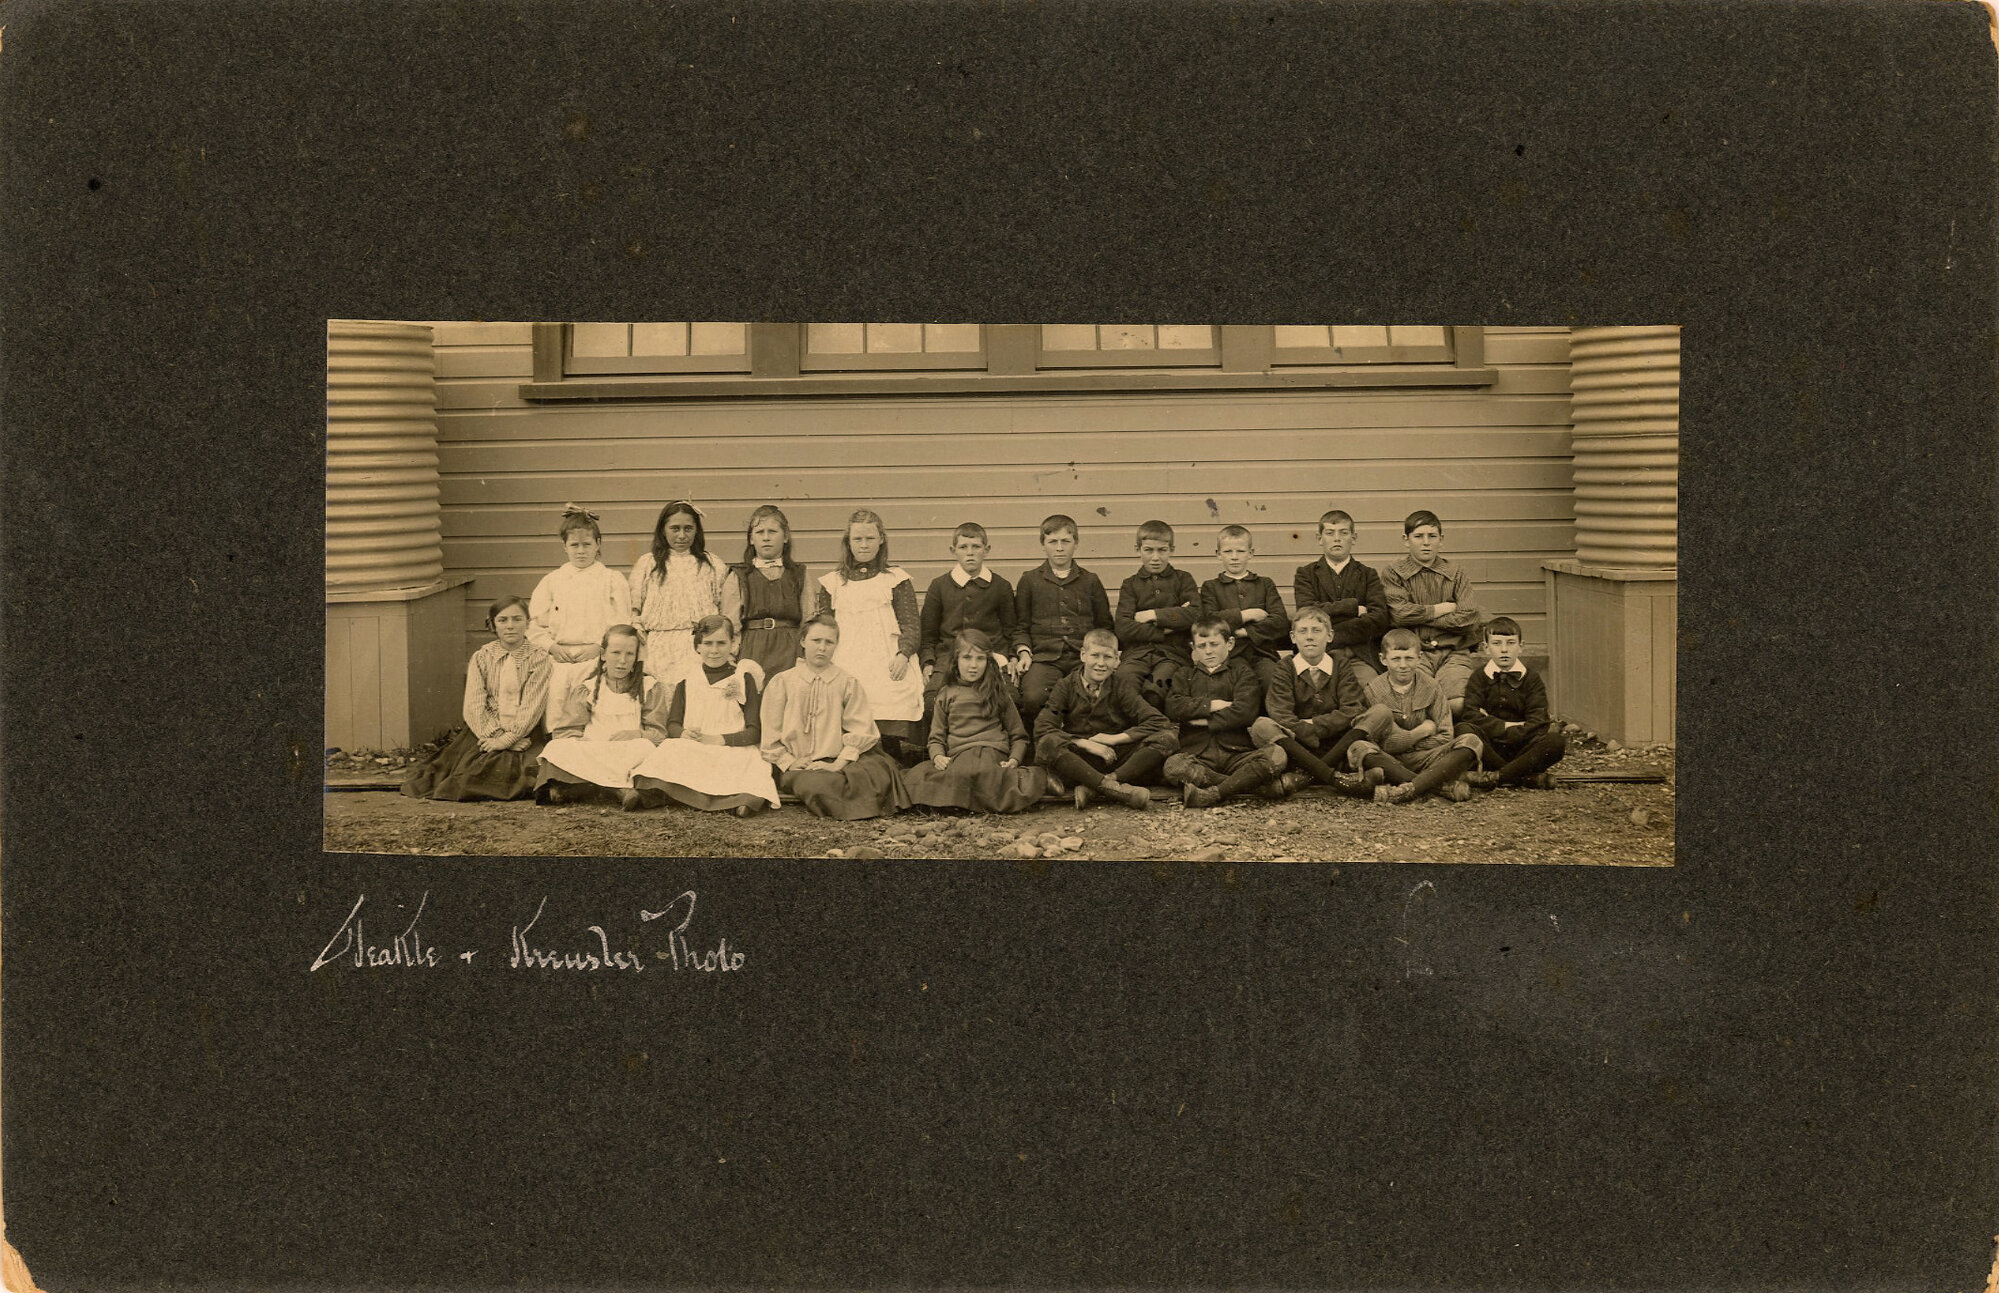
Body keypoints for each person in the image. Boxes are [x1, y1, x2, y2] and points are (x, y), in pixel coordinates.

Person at [759, 613, 911, 820]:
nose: (822, 647)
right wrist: (789, 761)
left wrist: (837, 764)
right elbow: (771, 732)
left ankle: (849, 796)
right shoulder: (783, 682)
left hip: (836, 759)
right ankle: (848, 802)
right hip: (799, 763)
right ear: (803, 641)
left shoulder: (847, 682)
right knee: (814, 784)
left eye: (829, 642)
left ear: (836, 645)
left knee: (873, 773)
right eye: (816, 640)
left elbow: (860, 729)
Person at [629, 615, 782, 816]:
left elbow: (754, 731)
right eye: (708, 643)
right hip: (696, 746)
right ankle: (675, 794)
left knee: (750, 767)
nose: (714, 650)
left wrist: (721, 739)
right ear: (697, 646)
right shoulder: (687, 679)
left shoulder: (744, 678)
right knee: (668, 752)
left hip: (731, 747)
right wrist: (683, 733)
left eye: (721, 643)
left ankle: (737, 799)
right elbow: (673, 723)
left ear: (733, 644)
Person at [402, 596, 551, 801]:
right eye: (503, 620)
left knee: (527, 772)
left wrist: (508, 739)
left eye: (517, 619)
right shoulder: (482, 657)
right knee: (467, 772)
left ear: (528, 623)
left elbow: (532, 706)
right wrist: (497, 737)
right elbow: (474, 706)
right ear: (492, 624)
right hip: (484, 730)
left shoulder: (539, 658)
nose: (510, 626)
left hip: (524, 731)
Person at [816, 508, 924, 760]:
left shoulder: (896, 579)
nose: (864, 545)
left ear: (881, 539)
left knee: (891, 688)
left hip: (887, 654)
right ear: (848, 542)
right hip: (846, 655)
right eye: (858, 539)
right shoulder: (833, 583)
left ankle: (889, 753)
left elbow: (911, 624)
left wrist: (904, 653)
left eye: (870, 539)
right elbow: (824, 629)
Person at [903, 629, 1048, 814]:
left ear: (989, 662)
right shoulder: (946, 693)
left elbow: (1018, 736)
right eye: (967, 658)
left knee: (982, 774)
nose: (973, 665)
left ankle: (970, 798)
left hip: (991, 754)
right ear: (956, 661)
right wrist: (938, 756)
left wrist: (1014, 759)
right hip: (959, 756)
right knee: (923, 778)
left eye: (980, 659)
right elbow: (936, 738)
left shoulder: (999, 693)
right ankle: (968, 800)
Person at [1030, 629, 1174, 811]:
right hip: (1079, 760)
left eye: (1107, 657)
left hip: (1113, 757)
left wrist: (1114, 738)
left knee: (1167, 738)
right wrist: (1084, 743)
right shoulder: (1066, 685)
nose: (1100, 663)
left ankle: (1099, 786)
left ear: (1117, 659)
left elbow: (1158, 721)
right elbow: (1043, 726)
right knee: (1047, 743)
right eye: (1094, 656)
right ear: (1083, 655)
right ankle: (1116, 789)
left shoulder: (1121, 685)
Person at [1343, 628, 1483, 804]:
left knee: (1471, 741)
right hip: (1389, 759)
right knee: (1359, 747)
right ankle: (1437, 786)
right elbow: (1375, 741)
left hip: (1427, 757)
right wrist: (1420, 732)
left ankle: (1405, 786)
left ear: (1420, 657)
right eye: (1396, 659)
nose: (1403, 665)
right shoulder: (1373, 690)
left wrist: (1403, 743)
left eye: (1409, 658)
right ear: (1383, 659)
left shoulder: (1432, 687)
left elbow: (1446, 734)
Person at [1160, 615, 1286, 809]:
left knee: (1277, 755)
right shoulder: (1184, 675)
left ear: (1230, 643)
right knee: (1174, 766)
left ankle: (1213, 793)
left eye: (1214, 644)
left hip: (1237, 752)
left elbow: (1245, 711)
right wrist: (1211, 705)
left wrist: (1204, 721)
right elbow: (1174, 706)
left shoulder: (1242, 672)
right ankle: (1247, 785)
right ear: (1193, 648)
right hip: (1198, 754)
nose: (1208, 651)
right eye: (1201, 646)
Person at [1248, 606, 1373, 798]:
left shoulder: (1340, 664)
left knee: (1379, 712)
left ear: (1330, 636)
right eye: (1302, 631)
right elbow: (1280, 714)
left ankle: (1306, 776)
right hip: (1298, 745)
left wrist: (1314, 724)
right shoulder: (1284, 668)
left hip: (1337, 741)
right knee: (1261, 725)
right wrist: (1310, 731)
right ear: (1293, 637)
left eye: (1316, 630)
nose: (1309, 637)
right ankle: (1332, 777)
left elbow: (1352, 708)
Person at [535, 624, 668, 805]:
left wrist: (638, 734)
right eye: (616, 653)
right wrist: (583, 742)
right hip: (595, 749)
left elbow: (659, 734)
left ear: (637, 657)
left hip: (629, 751)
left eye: (629, 654)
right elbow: (566, 731)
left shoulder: (649, 687)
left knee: (646, 748)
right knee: (556, 748)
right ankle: (617, 789)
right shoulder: (588, 688)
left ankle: (586, 788)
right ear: (603, 654)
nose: (622, 660)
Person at [527, 503, 633, 725]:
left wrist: (598, 647)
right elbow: (535, 625)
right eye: (574, 545)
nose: (581, 551)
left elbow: (622, 623)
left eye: (587, 544)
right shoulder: (552, 581)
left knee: (592, 705)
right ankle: (557, 744)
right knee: (556, 701)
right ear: (564, 547)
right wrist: (552, 647)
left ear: (598, 544)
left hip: (597, 656)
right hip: (559, 657)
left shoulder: (611, 580)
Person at [1013, 513, 1114, 734]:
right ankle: (1038, 744)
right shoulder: (1029, 580)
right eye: (1053, 542)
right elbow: (1020, 626)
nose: (1060, 548)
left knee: (1090, 697)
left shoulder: (1090, 580)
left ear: (1075, 544)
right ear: (1043, 544)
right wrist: (1024, 652)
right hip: (1045, 657)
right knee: (1033, 696)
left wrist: (1099, 655)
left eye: (1066, 541)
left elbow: (1104, 625)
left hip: (1082, 657)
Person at [1379, 509, 1485, 713]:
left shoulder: (1456, 572)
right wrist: (1441, 609)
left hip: (1453, 652)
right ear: (1406, 540)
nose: (1426, 542)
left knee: (1457, 704)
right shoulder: (1394, 572)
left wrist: (1419, 618)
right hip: (1413, 654)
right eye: (1418, 536)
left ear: (1441, 540)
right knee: (1414, 704)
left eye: (1432, 536)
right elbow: (1399, 615)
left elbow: (1469, 618)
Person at [918, 522, 1021, 713]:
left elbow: (1011, 629)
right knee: (932, 701)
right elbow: (928, 634)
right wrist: (928, 662)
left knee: (1010, 700)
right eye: (963, 547)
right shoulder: (939, 586)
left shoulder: (1000, 586)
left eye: (976, 547)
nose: (970, 553)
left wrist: (1013, 657)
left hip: (991, 656)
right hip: (949, 656)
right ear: (953, 550)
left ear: (986, 550)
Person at [1459, 616, 1567, 790]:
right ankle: (1521, 777)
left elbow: (1538, 720)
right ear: (1486, 648)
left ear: (1521, 647)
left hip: (1523, 748)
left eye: (1510, 643)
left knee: (1556, 741)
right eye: (1497, 643)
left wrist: (1496, 725)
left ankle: (1497, 776)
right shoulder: (1478, 677)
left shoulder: (1531, 679)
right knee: (1463, 729)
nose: (1504, 650)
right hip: (1491, 749)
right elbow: (1471, 715)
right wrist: (1510, 726)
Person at [629, 499, 731, 681]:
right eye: (675, 528)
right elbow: (633, 608)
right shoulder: (648, 564)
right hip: (658, 648)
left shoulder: (712, 564)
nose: (682, 535)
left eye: (688, 529)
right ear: (663, 529)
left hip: (699, 648)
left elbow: (723, 608)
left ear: (696, 530)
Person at [1292, 508, 1389, 686]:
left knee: (1373, 692)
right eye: (1330, 533)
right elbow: (1306, 614)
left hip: (1359, 657)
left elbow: (1379, 619)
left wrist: (1329, 630)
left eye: (1343, 533)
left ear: (1354, 538)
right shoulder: (1305, 574)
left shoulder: (1368, 575)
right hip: (1319, 657)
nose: (1337, 538)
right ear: (1319, 538)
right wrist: (1352, 608)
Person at [1113, 519, 1200, 707]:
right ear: (1138, 550)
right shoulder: (1130, 584)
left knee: (1156, 687)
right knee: (1124, 680)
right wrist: (1167, 628)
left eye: (1162, 550)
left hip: (1173, 655)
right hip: (1137, 654)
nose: (1155, 557)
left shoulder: (1183, 579)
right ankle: (1137, 730)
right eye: (1148, 550)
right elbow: (1123, 628)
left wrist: (1151, 615)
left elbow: (1195, 614)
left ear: (1172, 550)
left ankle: (1155, 730)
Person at [1197, 524, 1290, 695]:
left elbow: (1280, 621)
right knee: (1236, 684)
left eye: (1240, 551)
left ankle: (1272, 720)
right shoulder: (1211, 587)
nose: (1234, 557)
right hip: (1229, 656)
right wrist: (1247, 614)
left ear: (1251, 553)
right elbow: (1210, 620)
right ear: (1218, 554)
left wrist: (1244, 632)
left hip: (1262, 653)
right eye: (1227, 552)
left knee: (1272, 679)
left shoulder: (1264, 584)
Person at [726, 504, 813, 681]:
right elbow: (730, 623)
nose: (766, 538)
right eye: (759, 532)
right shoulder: (739, 576)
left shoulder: (799, 574)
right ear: (751, 539)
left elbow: (809, 619)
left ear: (786, 537)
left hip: (791, 651)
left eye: (772, 532)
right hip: (752, 649)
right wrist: (731, 654)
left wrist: (805, 653)